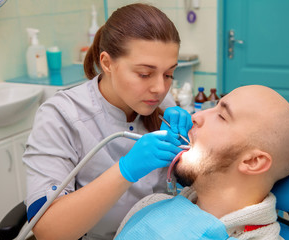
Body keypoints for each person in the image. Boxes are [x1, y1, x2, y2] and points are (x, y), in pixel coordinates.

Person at [23, 3, 192, 240]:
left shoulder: (161, 104)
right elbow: (48, 231)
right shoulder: (61, 115)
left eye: (168, 74)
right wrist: (126, 170)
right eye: (144, 74)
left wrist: (187, 149)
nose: (160, 88)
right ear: (107, 63)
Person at [115, 85, 289, 240]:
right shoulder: (151, 206)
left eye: (222, 116)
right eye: (214, 107)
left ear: (253, 161)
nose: (195, 117)